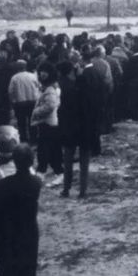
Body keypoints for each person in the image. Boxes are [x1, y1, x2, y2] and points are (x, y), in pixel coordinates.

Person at [0, 144, 42, 276]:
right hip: (29, 228)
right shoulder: (36, 182)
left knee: (8, 269)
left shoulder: (5, 184)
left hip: (10, 229)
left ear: (14, 161)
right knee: (26, 266)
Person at [56, 61, 90, 199]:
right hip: (85, 128)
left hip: (69, 127)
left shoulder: (63, 87)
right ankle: (83, 191)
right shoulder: (85, 90)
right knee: (84, 162)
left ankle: (66, 189)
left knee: (68, 160)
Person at [30, 62, 62, 182]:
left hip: (46, 122)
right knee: (52, 148)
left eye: (44, 72)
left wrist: (36, 112)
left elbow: (50, 105)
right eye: (41, 71)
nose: (42, 74)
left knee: (43, 148)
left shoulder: (49, 89)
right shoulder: (51, 87)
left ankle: (42, 170)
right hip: (51, 122)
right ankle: (57, 170)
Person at [8, 60, 41, 144]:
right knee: (32, 122)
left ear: (17, 67)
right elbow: (39, 86)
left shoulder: (14, 78)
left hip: (20, 103)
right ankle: (33, 139)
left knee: (21, 123)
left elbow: (10, 92)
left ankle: (23, 139)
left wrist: (12, 102)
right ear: (25, 67)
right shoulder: (32, 76)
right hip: (32, 102)